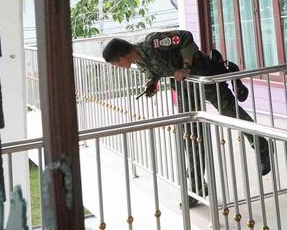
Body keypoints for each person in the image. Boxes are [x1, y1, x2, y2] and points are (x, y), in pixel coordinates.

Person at [103, 29, 272, 177]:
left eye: (116, 63)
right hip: (184, 87)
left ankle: (262, 147)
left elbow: (185, 37)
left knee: (230, 113)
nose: (117, 66)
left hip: (202, 76)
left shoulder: (153, 43)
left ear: (123, 58)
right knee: (190, 131)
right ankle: (196, 181)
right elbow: (158, 69)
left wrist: (185, 66)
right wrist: (153, 83)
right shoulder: (139, 61)